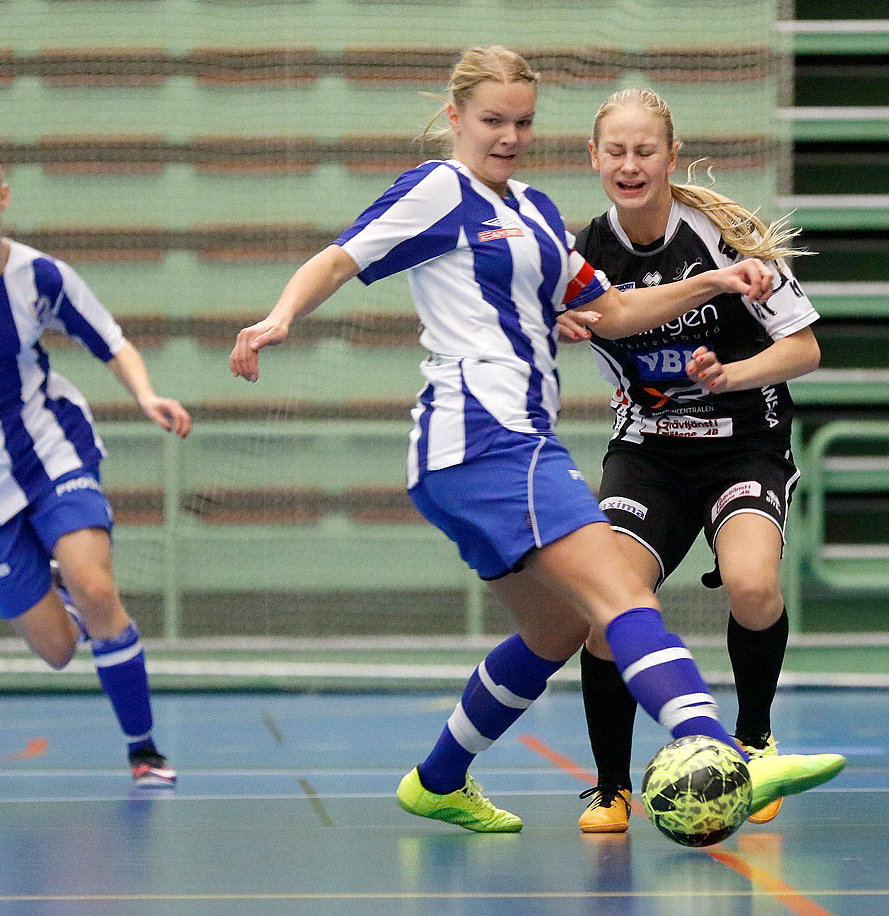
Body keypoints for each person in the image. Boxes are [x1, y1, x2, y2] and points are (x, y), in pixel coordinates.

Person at [227, 46, 843, 833]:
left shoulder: (538, 214)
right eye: (491, 120)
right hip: (490, 438)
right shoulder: (438, 190)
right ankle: (719, 750)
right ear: (455, 118)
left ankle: (439, 779)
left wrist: (717, 282)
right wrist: (280, 316)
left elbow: (615, 311)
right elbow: (342, 257)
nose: (509, 135)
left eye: (522, 121)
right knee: (621, 596)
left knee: (557, 627)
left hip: (493, 449)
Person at [558, 88, 820, 833]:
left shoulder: (726, 237)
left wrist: (728, 375)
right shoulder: (586, 253)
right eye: (617, 152)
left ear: (672, 158)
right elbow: (542, 311)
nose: (631, 165)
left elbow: (805, 347)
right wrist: (558, 321)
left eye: (646, 151)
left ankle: (755, 742)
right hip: (649, 453)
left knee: (752, 585)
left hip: (745, 444)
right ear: (595, 158)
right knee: (608, 610)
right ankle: (611, 787)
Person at [0, 140, 190, 787]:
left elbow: (111, 340)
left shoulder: (41, 276)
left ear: (4, 199)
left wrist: (146, 394)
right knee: (56, 649)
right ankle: (57, 592)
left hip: (49, 448)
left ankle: (144, 751)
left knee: (99, 588)